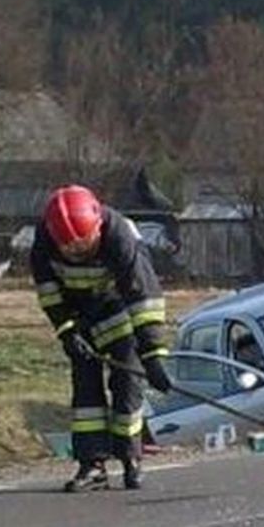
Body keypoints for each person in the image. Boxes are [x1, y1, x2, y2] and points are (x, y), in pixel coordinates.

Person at [31, 185, 172, 491]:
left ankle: (130, 459)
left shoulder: (119, 234)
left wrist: (153, 354)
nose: (79, 253)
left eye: (85, 244)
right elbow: (49, 292)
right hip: (79, 317)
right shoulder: (43, 240)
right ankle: (92, 464)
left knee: (127, 385)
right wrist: (67, 331)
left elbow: (142, 296)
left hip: (118, 310)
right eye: (71, 249)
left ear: (97, 226)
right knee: (85, 393)